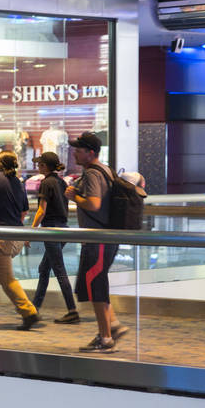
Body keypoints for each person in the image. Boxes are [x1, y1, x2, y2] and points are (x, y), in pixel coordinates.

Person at [65, 131, 129, 353]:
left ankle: (106, 338)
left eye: (79, 150)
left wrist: (75, 197)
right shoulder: (106, 170)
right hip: (104, 238)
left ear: (90, 153)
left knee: (96, 287)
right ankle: (112, 327)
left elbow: (93, 204)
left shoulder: (92, 174)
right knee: (95, 284)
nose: (75, 153)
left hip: (98, 239)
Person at [0, 150, 40, 331]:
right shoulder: (18, 183)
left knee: (6, 278)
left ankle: (28, 312)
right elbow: (24, 211)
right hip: (16, 236)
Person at [28, 152, 80, 324]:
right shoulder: (61, 181)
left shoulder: (46, 183)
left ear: (45, 166)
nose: (37, 166)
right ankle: (34, 308)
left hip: (51, 230)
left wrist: (31, 230)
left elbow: (42, 210)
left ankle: (72, 310)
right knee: (45, 269)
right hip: (63, 229)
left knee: (59, 271)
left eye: (40, 164)